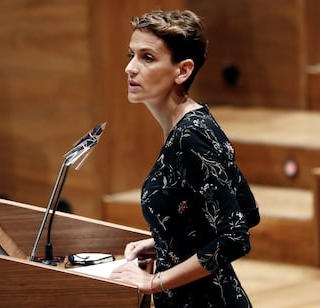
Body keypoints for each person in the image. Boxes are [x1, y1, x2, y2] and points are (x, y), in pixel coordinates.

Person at [110, 9, 260, 307]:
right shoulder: (194, 124)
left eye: (147, 58)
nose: (130, 67)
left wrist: (153, 282)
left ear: (183, 70)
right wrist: (164, 243)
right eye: (131, 55)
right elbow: (246, 210)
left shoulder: (192, 138)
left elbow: (235, 237)